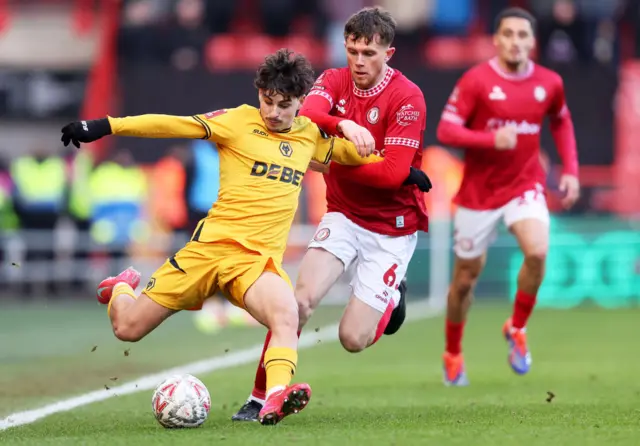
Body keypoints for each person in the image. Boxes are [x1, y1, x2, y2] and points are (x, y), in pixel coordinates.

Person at [60, 49, 427, 425]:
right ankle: (122, 286)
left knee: (288, 314)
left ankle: (273, 398)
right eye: (267, 101)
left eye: (284, 105)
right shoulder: (236, 122)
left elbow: (353, 156)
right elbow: (171, 124)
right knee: (127, 328)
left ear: (302, 103)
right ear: (259, 94)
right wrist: (105, 125)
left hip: (254, 264)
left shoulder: (308, 137)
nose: (273, 112)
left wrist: (404, 172)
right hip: (207, 252)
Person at [233, 6, 431, 422]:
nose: (359, 62)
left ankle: (393, 296)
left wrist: (325, 161)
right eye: (353, 50)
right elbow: (303, 117)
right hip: (343, 214)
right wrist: (342, 128)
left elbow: (394, 175)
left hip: (391, 229)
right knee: (297, 304)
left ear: (389, 53)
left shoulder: (407, 97)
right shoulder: (333, 80)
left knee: (352, 338)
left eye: (369, 54)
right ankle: (259, 398)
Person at [435, 7, 580, 386]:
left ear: (533, 43)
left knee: (537, 251)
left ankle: (517, 328)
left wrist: (571, 170)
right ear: (496, 39)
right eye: (509, 34)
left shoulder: (549, 82)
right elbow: (446, 130)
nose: (516, 41)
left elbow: (561, 121)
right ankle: (452, 352)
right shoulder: (476, 81)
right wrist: (488, 139)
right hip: (479, 192)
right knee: (465, 280)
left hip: (525, 184)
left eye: (523, 35)